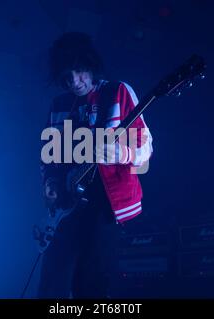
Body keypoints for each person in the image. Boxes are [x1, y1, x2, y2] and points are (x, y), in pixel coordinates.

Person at [37, 32, 153, 298]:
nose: (74, 82)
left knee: (90, 286)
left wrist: (122, 153)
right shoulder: (59, 105)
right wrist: (51, 184)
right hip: (67, 207)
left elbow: (146, 147)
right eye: (66, 76)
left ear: (90, 64)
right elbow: (48, 156)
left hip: (106, 205)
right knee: (51, 284)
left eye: (78, 71)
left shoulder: (117, 92)